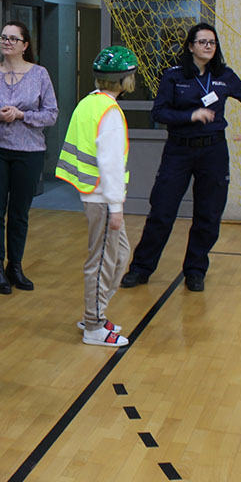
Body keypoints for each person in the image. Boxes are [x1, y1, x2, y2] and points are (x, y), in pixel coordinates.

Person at [120, 22, 241, 293]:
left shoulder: (224, 76)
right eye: (203, 42)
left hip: (213, 151)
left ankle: (195, 271)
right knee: (162, 212)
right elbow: (159, 113)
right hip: (179, 150)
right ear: (190, 46)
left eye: (212, 42)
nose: (209, 46)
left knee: (208, 214)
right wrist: (191, 115)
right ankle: (141, 268)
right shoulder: (174, 76)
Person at [55, 46, 138, 347]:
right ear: (125, 80)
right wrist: (115, 207)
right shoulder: (109, 113)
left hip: (98, 196)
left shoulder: (90, 102)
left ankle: (95, 312)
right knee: (102, 263)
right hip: (103, 199)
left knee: (120, 256)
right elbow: (111, 163)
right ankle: (93, 325)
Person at [0, 20, 58, 293]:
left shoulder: (39, 74)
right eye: (4, 37)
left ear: (25, 45)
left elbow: (51, 114)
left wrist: (22, 115)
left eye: (13, 38)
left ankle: (15, 266)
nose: (7, 42)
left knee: (19, 213)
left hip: (29, 152)